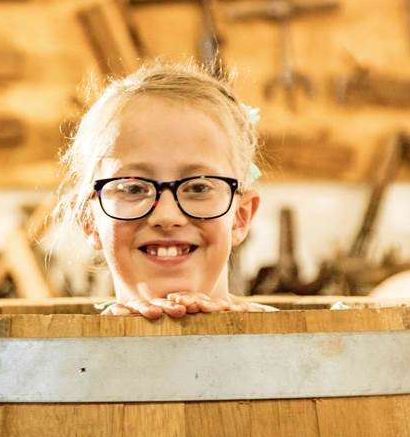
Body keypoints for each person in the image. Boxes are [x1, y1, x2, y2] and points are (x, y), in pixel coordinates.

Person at [52, 61, 275, 318]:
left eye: (199, 187)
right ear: (89, 220)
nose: (166, 217)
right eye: (133, 188)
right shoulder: (67, 353)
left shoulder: (301, 345)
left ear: (240, 217)